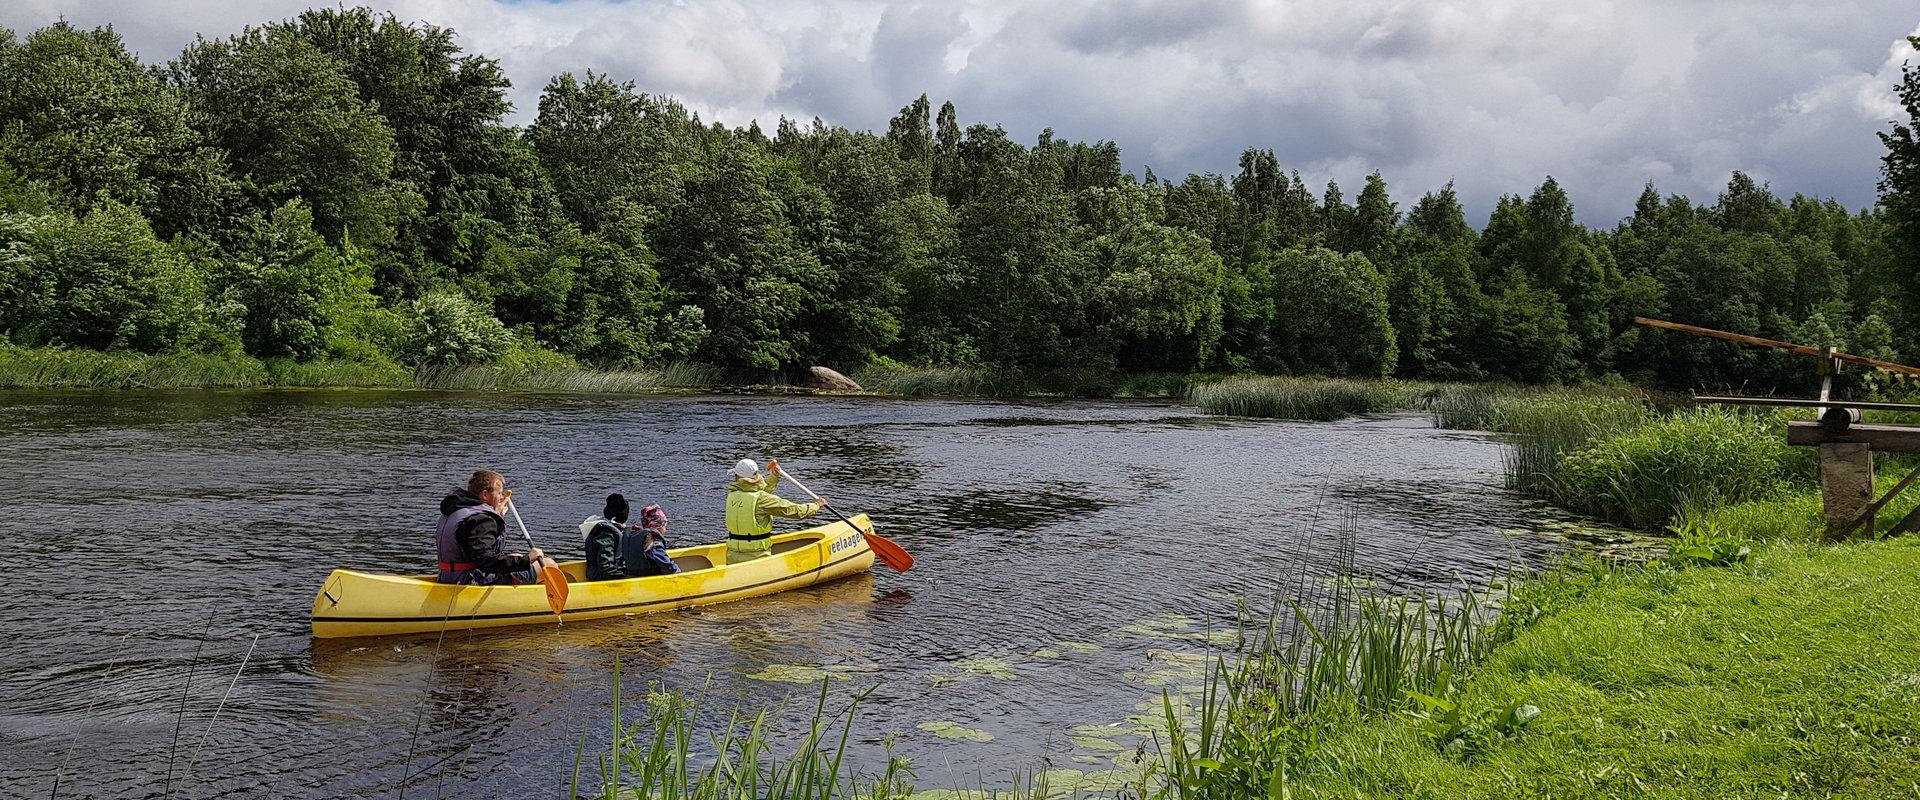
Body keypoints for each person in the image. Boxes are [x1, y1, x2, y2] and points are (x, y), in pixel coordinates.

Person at [436, 469, 559, 585]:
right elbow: (486, 562)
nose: (501, 497)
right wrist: (527, 560)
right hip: (471, 580)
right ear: (485, 495)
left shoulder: (456, 510)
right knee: (549, 565)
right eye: (499, 493)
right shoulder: (482, 520)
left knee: (516, 557)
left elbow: (475, 550)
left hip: (448, 577)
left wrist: (497, 515)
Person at [724, 458, 824, 564]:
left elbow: (755, 492)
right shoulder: (762, 499)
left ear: (737, 477)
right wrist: (816, 505)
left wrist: (774, 477)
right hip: (757, 559)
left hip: (732, 558)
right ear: (756, 476)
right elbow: (795, 511)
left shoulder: (732, 495)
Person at [580, 493, 633, 581]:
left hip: (606, 575)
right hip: (600, 579)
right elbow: (606, 567)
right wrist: (626, 578)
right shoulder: (606, 534)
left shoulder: (609, 530)